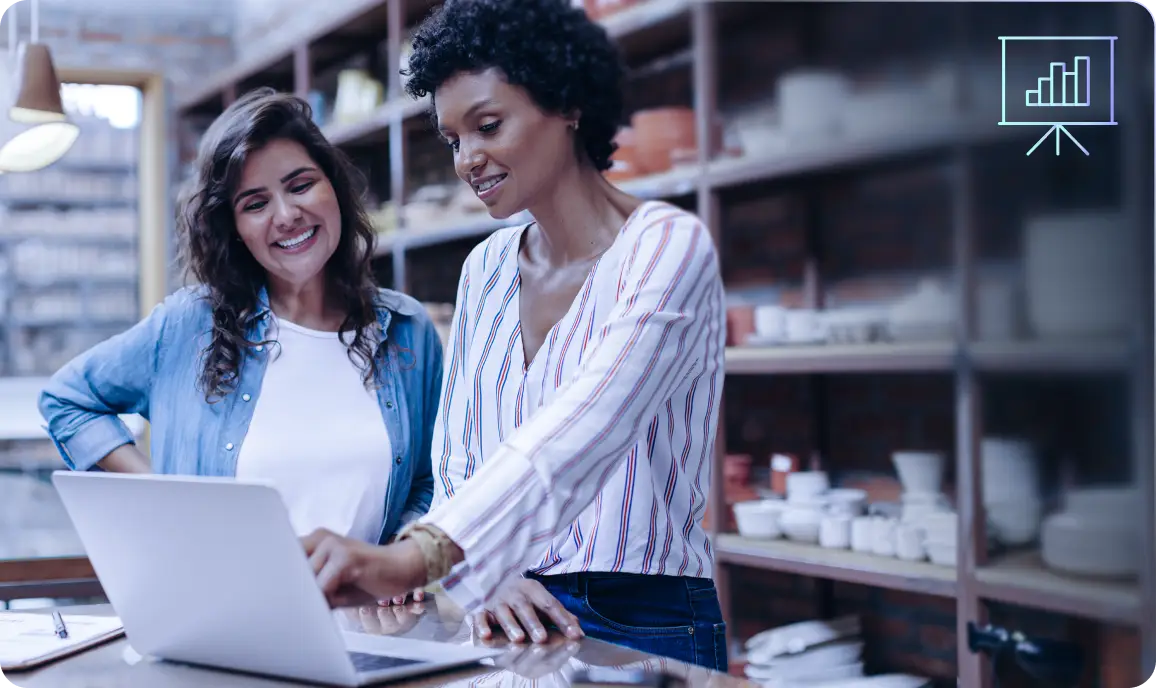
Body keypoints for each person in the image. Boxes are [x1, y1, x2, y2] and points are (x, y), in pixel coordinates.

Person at [302, 0, 728, 670]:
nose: (468, 159)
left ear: (568, 106)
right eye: (453, 140)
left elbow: (580, 434)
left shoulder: (668, 249)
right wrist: (481, 577)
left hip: (645, 619)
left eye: (488, 125)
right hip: (506, 610)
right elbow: (458, 457)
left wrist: (420, 556)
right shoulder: (488, 267)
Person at [39, 89, 444, 576]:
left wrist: (398, 561)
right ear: (233, 227)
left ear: (333, 188)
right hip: (221, 613)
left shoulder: (408, 330)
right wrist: (160, 493)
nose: (287, 214)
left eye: (300, 185)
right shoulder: (190, 326)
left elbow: (428, 478)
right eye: (255, 204)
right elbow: (66, 400)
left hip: (368, 630)